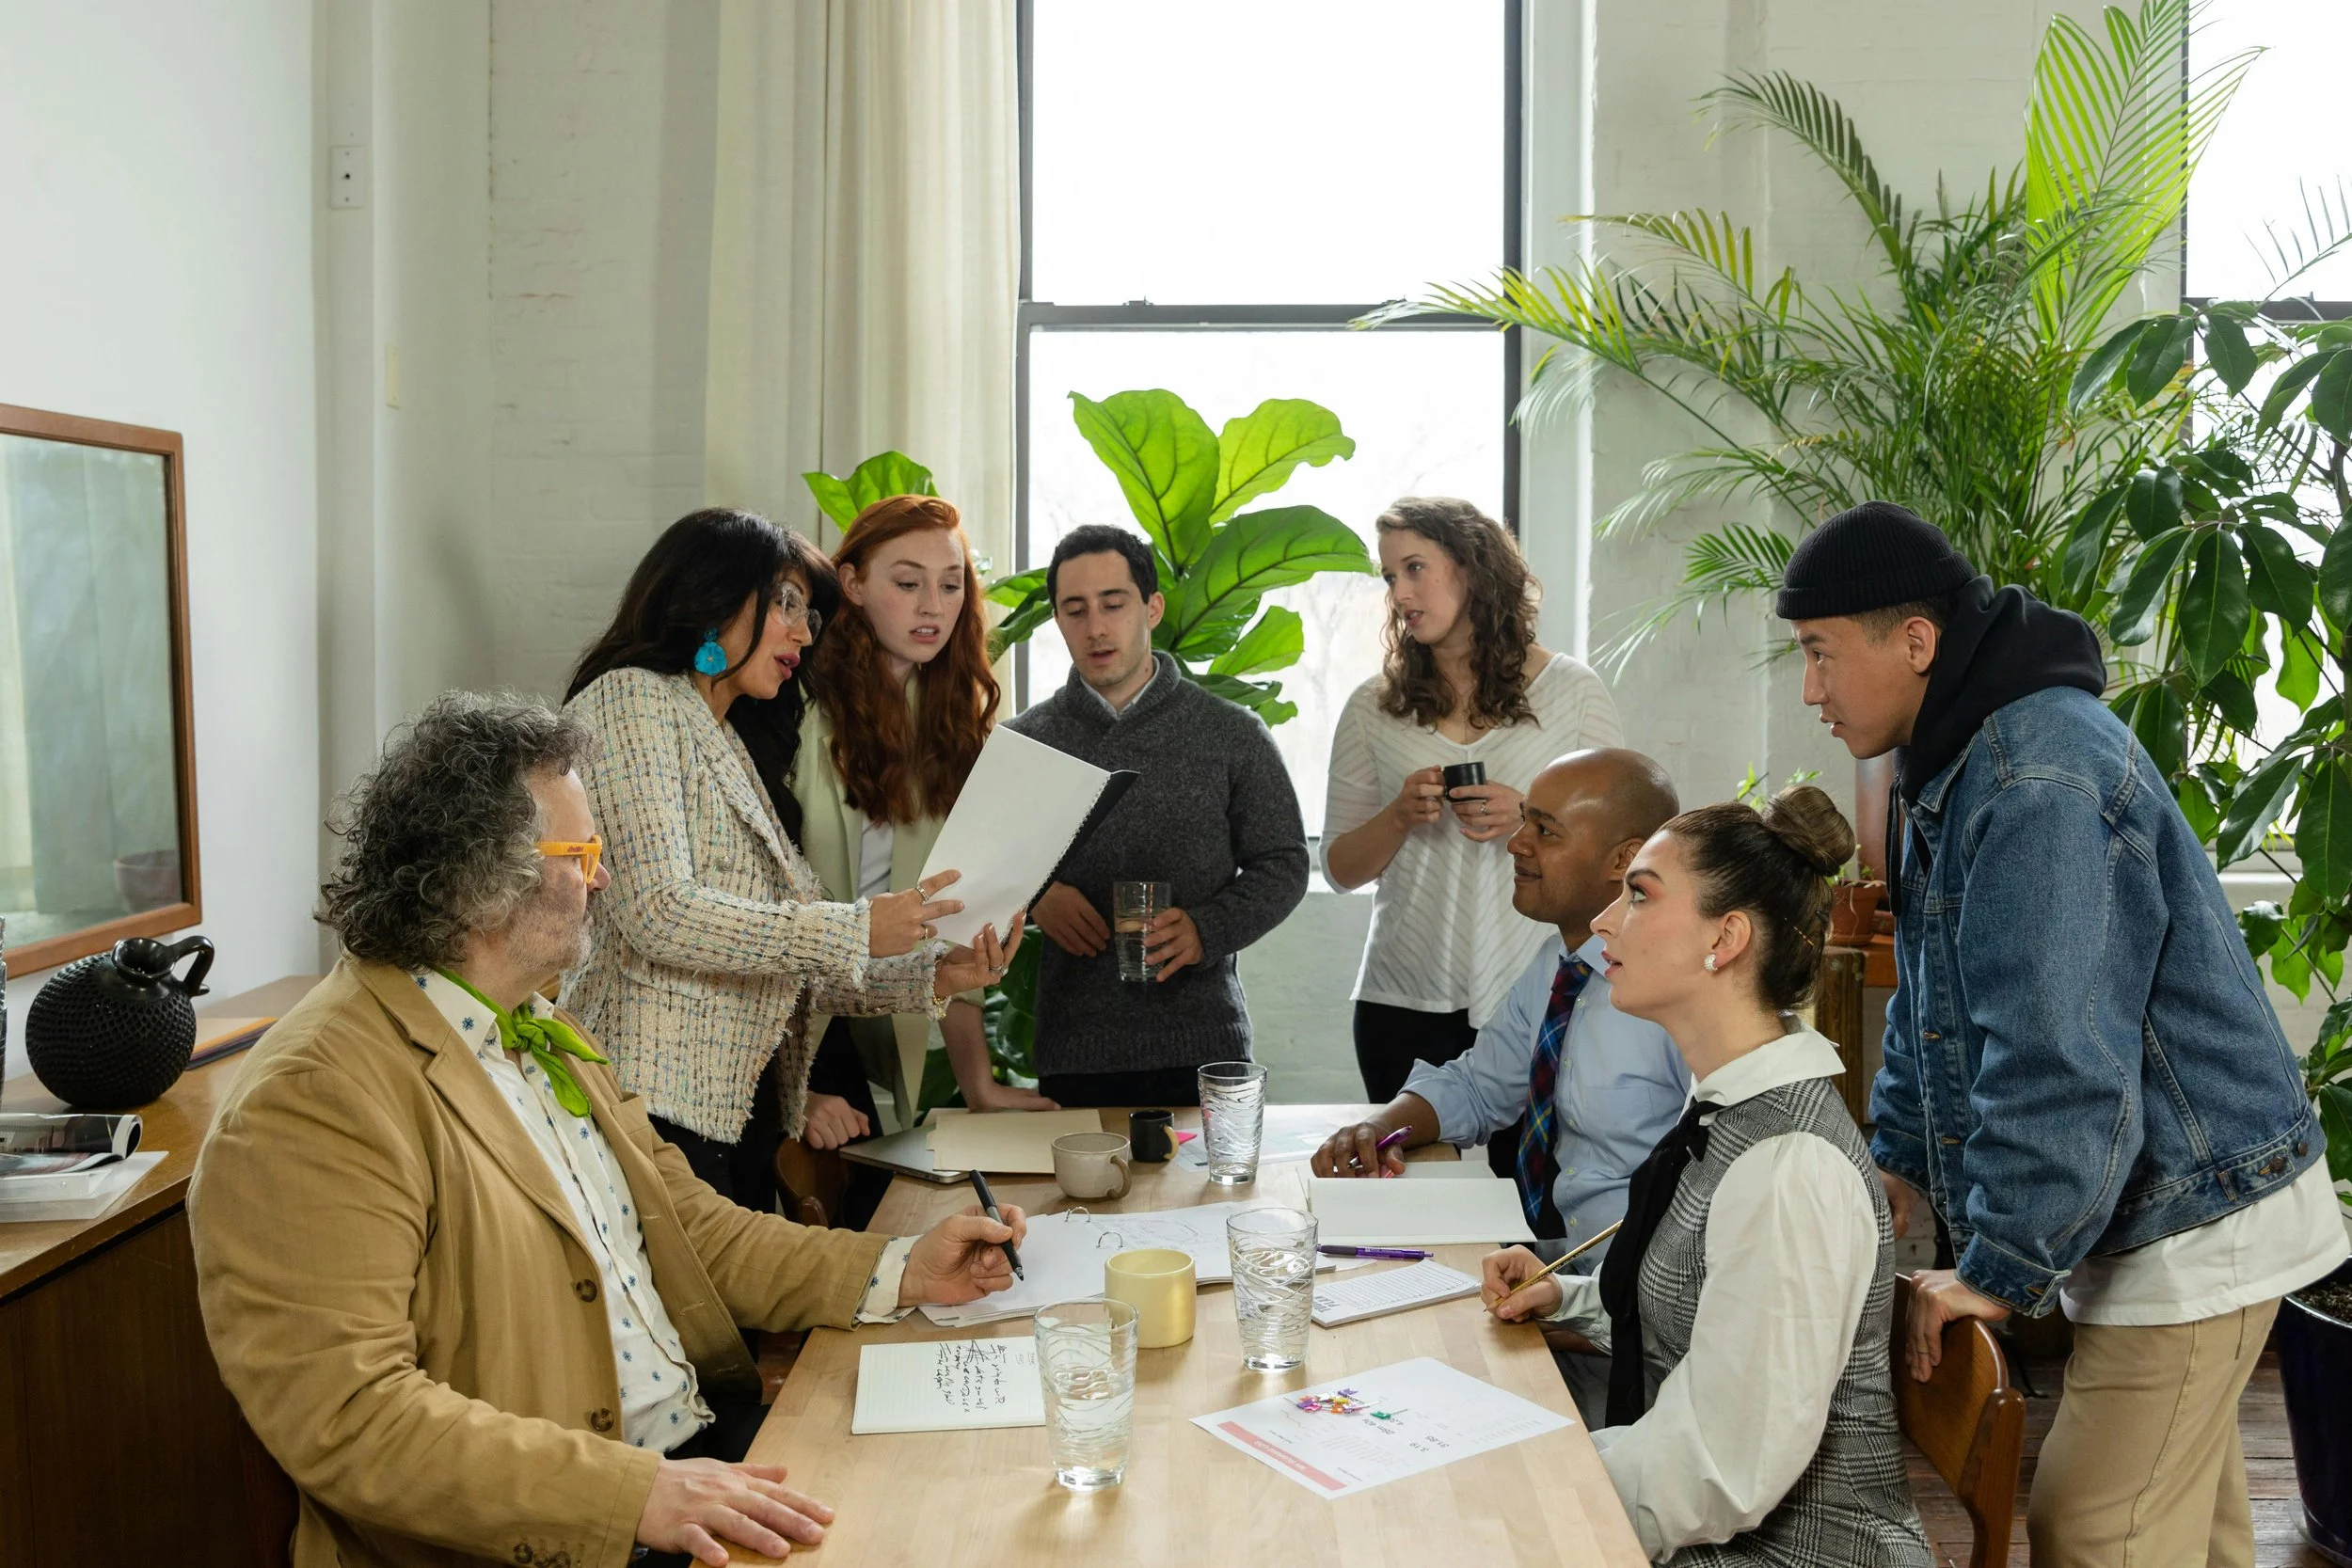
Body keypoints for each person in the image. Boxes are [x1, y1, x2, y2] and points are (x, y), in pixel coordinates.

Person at [187, 693, 1028, 1568]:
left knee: (979, 1507)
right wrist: (634, 1494)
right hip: (582, 1528)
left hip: (691, 1467)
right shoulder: (314, 1096)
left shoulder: (539, 1022)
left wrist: (901, 1266)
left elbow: (694, 1228)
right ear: (485, 878)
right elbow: (350, 1415)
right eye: (583, 853)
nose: (603, 877)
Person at [1777, 501, 2339, 1568]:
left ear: (1915, 640)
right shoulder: (1947, 755)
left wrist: (1998, 1265)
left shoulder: (2035, 777)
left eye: (1820, 654)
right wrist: (1899, 1161)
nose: (1810, 690)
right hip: (2152, 1198)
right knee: (2197, 1536)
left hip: (2199, 1212)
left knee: (2094, 1526)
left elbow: (2057, 1059)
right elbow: (1933, 1001)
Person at [1483, 787, 1932, 1566]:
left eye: (1639, 895)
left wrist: (1524, 1488)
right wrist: (1572, 1294)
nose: (1602, 922)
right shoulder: (1729, 1106)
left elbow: (1719, 1470)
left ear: (1724, 939)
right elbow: (1719, 1316)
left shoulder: (1790, 1171)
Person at [563, 508, 1010, 1215]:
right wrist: (860, 929)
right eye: (787, 604)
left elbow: (786, 955)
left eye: (809, 611)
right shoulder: (632, 697)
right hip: (648, 1102)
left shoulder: (728, 740)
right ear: (715, 599)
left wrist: (934, 974)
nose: (805, 631)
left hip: (728, 1111)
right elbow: (659, 912)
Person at [1313, 747, 1692, 1424]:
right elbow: (1480, 1087)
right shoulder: (1559, 964)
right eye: (1525, 824)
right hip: (1548, 1281)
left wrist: (1585, 1316)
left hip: (1629, 1335)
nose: (1517, 843)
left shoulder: (1672, 996)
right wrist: (1383, 1125)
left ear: (1621, 860)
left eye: (1544, 830)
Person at [1322, 497, 1623, 1107]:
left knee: (1529, 1195)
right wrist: (1399, 815)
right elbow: (1339, 867)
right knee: (1409, 1197)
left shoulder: (1572, 691)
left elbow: (1625, 852)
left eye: (1414, 567)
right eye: (1388, 576)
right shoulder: (1371, 707)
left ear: (1470, 566)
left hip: (1538, 993)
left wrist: (1532, 817)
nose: (1400, 592)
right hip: (1400, 1001)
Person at [1008, 524, 1309, 1107]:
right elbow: (974, 871)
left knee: (1213, 1200)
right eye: (1074, 610)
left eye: (1113, 604)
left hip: (1205, 1047)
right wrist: (1035, 892)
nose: (1095, 627)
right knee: (1078, 1204)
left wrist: (1205, 930)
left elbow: (1285, 864)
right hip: (1076, 1052)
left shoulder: (1231, 734)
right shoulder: (1026, 743)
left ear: (1152, 607)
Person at [795, 493, 1057, 1136]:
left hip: (888, 1011)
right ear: (851, 583)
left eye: (950, 585)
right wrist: (791, 1091)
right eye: (908, 583)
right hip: (787, 1021)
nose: (933, 606)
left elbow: (955, 920)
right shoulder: (793, 700)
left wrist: (980, 1086)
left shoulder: (948, 722)